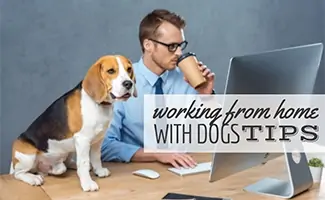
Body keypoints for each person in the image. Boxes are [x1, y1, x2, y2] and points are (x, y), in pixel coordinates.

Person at [101, 9, 215, 169]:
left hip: (186, 170)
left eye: (181, 45)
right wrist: (156, 154)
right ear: (148, 45)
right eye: (172, 46)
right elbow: (104, 146)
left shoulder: (187, 80)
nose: (179, 53)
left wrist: (206, 96)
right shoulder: (120, 84)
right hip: (137, 176)